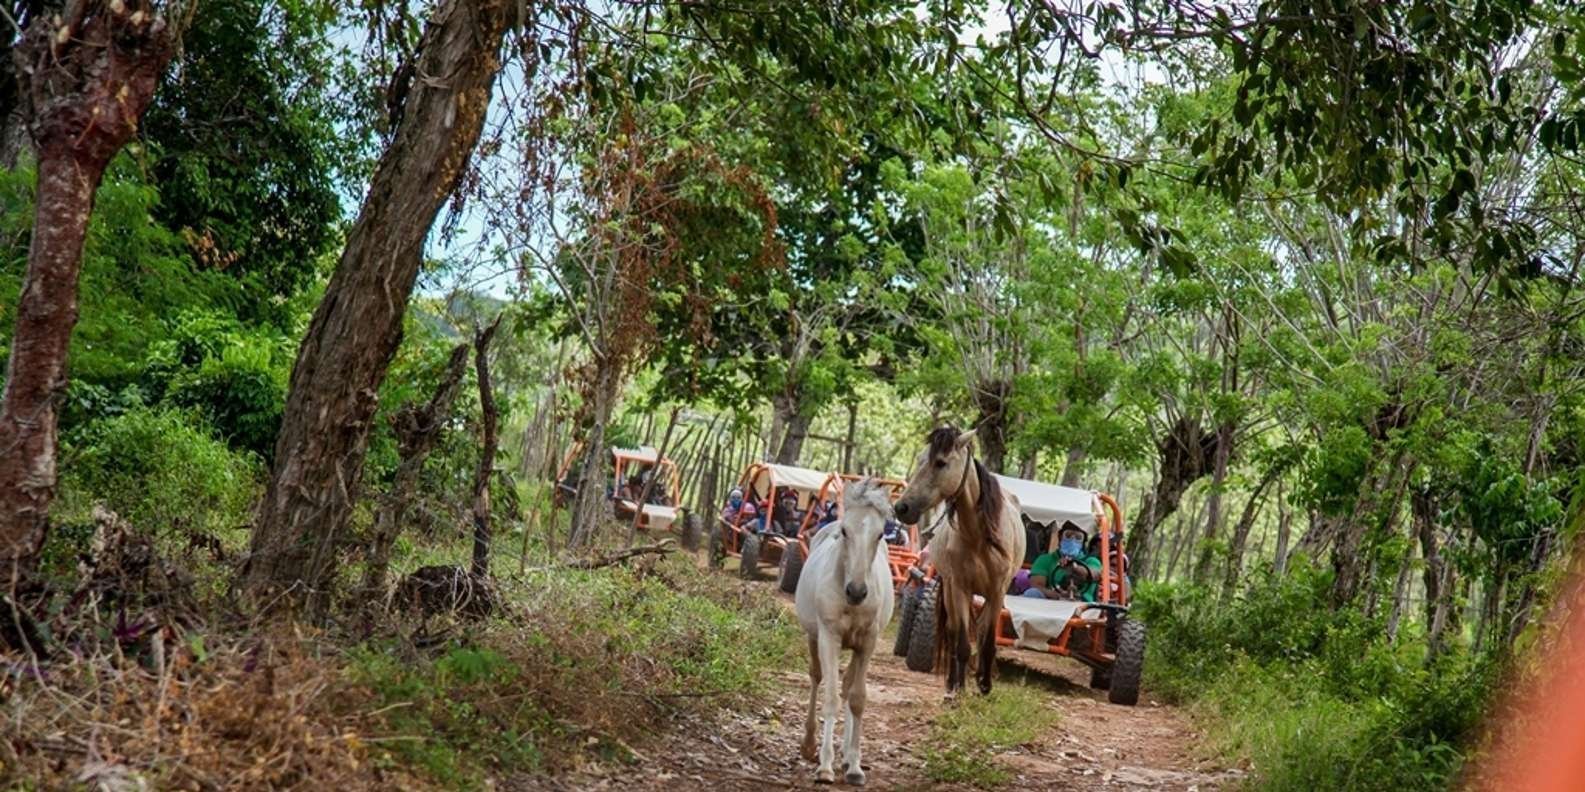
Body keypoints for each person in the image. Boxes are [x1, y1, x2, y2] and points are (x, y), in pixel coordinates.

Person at [1022, 522, 1101, 601]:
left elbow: (1095, 575)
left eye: (1078, 537)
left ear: (1083, 542)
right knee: (1032, 593)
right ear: (1060, 538)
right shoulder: (1045, 559)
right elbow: (1036, 585)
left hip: (1082, 605)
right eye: (1068, 536)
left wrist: (1075, 568)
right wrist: (1058, 595)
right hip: (1051, 603)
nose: (1072, 541)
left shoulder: (1091, 561)